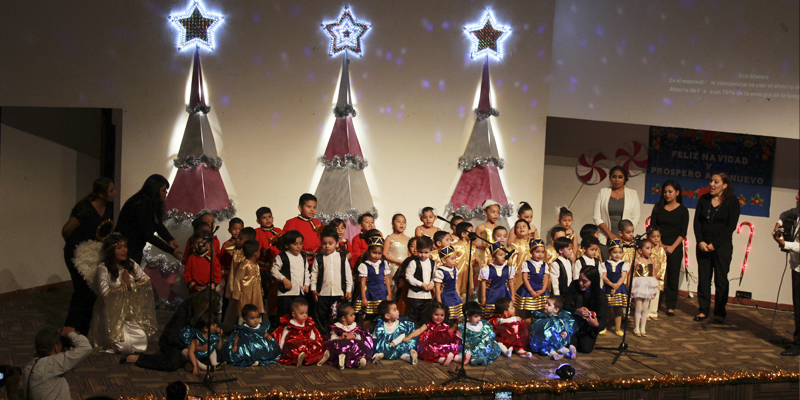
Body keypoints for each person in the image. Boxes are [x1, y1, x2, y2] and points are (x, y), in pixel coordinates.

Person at [61, 177, 116, 335]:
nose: (114, 193)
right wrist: (77, 246)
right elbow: (66, 230)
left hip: (94, 253)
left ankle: (82, 331)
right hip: (76, 254)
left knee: (92, 291)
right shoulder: (84, 208)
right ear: (101, 194)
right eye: (111, 190)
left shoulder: (108, 207)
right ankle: (69, 329)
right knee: (82, 291)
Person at [90, 234, 157, 354]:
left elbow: (146, 280)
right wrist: (124, 286)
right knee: (124, 347)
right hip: (112, 314)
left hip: (128, 311)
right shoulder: (104, 268)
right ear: (111, 250)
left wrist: (131, 286)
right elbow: (104, 293)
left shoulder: (130, 264)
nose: (124, 250)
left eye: (125, 246)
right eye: (119, 247)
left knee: (142, 343)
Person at [128, 288, 220, 370]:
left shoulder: (210, 313)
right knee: (172, 362)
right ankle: (139, 358)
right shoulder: (187, 308)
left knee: (220, 354)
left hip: (197, 342)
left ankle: (188, 361)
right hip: (177, 342)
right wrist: (190, 347)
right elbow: (172, 336)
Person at [693, 172, 740, 324]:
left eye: (716, 182)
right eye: (711, 181)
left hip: (722, 247)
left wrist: (715, 244)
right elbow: (697, 223)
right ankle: (703, 310)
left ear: (725, 185)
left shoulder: (732, 201)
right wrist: (700, 241)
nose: (711, 184)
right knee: (704, 279)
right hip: (703, 245)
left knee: (721, 280)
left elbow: (730, 227)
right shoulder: (704, 199)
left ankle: (720, 311)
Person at [115, 174, 180, 264]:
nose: (166, 193)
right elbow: (147, 234)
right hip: (126, 249)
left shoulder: (149, 203)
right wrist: (170, 250)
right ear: (154, 191)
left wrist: (170, 239)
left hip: (133, 248)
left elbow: (157, 225)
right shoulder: (140, 205)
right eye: (163, 190)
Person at [649, 180, 689, 317]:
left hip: (675, 247)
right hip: (657, 246)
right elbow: (652, 228)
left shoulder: (683, 210)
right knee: (656, 275)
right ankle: (654, 304)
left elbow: (683, 233)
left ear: (677, 192)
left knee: (672, 277)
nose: (667, 194)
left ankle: (671, 306)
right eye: (665, 192)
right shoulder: (658, 208)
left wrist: (672, 247)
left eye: (670, 191)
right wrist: (660, 244)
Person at [21, 327, 91, 400]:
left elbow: (61, 378)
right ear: (56, 347)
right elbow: (86, 347)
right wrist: (70, 333)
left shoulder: (29, 366)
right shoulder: (52, 363)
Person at [593, 166, 641, 259]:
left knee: (622, 268)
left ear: (625, 179)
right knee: (606, 266)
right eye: (614, 177)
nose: (617, 180)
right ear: (610, 178)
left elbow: (636, 217)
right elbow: (596, 217)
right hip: (605, 236)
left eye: (620, 177)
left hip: (625, 239)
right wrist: (610, 234)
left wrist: (626, 234)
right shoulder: (603, 192)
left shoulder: (632, 194)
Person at [310, 229, 352, 333]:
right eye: (324, 243)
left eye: (330, 243)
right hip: (323, 293)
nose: (327, 246)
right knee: (321, 315)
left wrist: (348, 289)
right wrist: (313, 289)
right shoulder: (319, 258)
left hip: (339, 293)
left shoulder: (342, 257)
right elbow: (314, 274)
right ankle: (323, 336)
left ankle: (337, 335)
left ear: (337, 244)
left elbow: (348, 274)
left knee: (338, 315)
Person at [773, 191, 799, 356]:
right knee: (798, 306)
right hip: (797, 266)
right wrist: (779, 222)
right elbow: (786, 213)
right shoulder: (797, 212)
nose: (797, 197)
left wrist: (785, 244)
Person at [403, 302, 464, 366]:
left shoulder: (445, 325)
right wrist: (409, 337)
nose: (439, 318)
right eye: (436, 315)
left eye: (442, 315)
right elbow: (419, 330)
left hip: (443, 343)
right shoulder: (428, 324)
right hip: (431, 343)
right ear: (431, 314)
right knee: (433, 350)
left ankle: (458, 358)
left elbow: (450, 332)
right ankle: (442, 360)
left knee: (451, 346)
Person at [563, 266, 608, 353]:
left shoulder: (600, 295)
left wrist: (596, 324)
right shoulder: (574, 286)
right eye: (580, 279)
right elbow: (565, 304)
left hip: (588, 328)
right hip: (573, 324)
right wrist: (577, 310)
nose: (580, 283)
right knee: (568, 344)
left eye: (584, 281)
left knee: (585, 349)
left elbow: (603, 317)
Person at [318, 303, 373, 369]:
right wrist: (340, 337)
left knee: (360, 345)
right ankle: (340, 358)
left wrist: (353, 336)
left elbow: (360, 337)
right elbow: (332, 338)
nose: (354, 317)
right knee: (336, 345)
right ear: (343, 318)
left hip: (352, 350)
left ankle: (359, 361)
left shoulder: (355, 326)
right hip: (341, 346)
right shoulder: (336, 326)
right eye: (351, 315)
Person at [273, 297, 324, 366]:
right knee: (293, 346)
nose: (305, 315)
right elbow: (283, 338)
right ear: (293, 314)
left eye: (306, 312)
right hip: (294, 346)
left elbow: (312, 333)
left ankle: (318, 358)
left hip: (306, 345)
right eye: (302, 313)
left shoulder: (308, 324)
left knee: (316, 346)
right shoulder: (289, 325)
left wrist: (313, 340)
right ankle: (297, 359)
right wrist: (280, 350)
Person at [272, 230, 310, 318]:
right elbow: (274, 271)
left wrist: (306, 284)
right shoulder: (281, 257)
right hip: (286, 294)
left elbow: (306, 272)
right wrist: (284, 279)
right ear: (287, 245)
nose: (299, 247)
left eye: (300, 243)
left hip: (299, 292)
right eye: (295, 244)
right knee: (285, 316)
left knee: (297, 316)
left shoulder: (303, 257)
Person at [226, 240, 263, 326]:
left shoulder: (256, 265)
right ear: (255, 253)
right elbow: (238, 280)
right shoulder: (244, 265)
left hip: (256, 294)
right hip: (245, 295)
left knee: (257, 310)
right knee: (244, 312)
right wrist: (236, 295)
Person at [515, 238, 550, 320]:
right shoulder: (526, 264)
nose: (540, 254)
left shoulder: (545, 265)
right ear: (531, 252)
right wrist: (531, 291)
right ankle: (526, 325)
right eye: (537, 252)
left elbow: (546, 279)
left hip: (541, 290)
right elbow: (525, 278)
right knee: (527, 311)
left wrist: (543, 290)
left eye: (542, 252)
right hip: (528, 290)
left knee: (540, 310)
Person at [600, 239, 630, 336]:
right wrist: (611, 285)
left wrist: (616, 287)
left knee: (618, 309)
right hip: (608, 288)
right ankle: (604, 326)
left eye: (620, 252)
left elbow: (623, 277)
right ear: (609, 252)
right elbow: (604, 277)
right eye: (615, 252)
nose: (617, 255)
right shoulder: (604, 264)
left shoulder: (624, 264)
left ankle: (617, 328)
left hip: (619, 288)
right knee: (607, 308)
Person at [459, 301, 503, 366]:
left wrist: (488, 338)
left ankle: (483, 358)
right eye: (476, 317)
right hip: (473, 347)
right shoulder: (463, 327)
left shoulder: (485, 323)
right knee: (469, 349)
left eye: (479, 315)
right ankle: (474, 360)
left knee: (492, 346)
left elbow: (491, 334)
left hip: (486, 346)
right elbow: (463, 341)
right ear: (467, 317)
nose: (479, 318)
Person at [631, 239, 659, 337]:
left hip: (648, 285)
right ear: (640, 250)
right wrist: (631, 289)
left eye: (651, 248)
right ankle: (636, 327)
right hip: (639, 284)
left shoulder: (652, 260)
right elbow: (632, 274)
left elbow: (654, 274)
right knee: (638, 307)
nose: (650, 251)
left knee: (645, 307)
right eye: (647, 248)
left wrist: (654, 289)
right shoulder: (637, 260)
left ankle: (643, 328)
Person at [479, 243, 515, 317]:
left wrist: (513, 296)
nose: (503, 257)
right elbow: (483, 283)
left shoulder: (508, 269)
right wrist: (483, 297)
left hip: (504, 294)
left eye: (504, 254)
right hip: (492, 295)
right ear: (494, 257)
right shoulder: (487, 269)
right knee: (491, 315)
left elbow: (511, 282)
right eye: (500, 255)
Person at [282, 193, 322, 261]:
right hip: (297, 259)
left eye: (314, 207)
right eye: (309, 207)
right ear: (300, 208)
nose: (312, 210)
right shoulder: (291, 223)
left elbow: (321, 239)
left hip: (315, 260)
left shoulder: (317, 223)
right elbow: (286, 242)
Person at [405, 236, 436, 323]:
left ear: (431, 250)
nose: (423, 255)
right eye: (420, 252)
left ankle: (422, 335)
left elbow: (434, 276)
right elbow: (408, 276)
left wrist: (432, 283)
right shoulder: (413, 262)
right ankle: (412, 334)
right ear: (417, 250)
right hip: (415, 295)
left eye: (426, 252)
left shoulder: (433, 263)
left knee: (425, 316)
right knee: (413, 317)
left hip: (427, 296)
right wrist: (421, 284)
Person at [433, 246, 463, 322]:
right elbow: (437, 287)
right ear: (444, 260)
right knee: (448, 316)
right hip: (445, 296)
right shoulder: (440, 271)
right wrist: (439, 301)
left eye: (455, 258)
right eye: (452, 259)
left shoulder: (455, 269)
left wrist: (458, 295)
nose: (455, 261)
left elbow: (456, 284)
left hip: (454, 296)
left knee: (456, 317)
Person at [383, 214, 410, 292]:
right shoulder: (389, 238)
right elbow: (384, 254)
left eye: (404, 222)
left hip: (405, 267)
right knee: (393, 289)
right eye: (398, 221)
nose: (401, 224)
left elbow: (409, 254)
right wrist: (398, 261)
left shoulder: (408, 239)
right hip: (393, 267)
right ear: (392, 224)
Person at [645, 226, 667, 319]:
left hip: (658, 276)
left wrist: (659, 275)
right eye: (653, 236)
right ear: (648, 237)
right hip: (649, 275)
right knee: (646, 294)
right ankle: (645, 312)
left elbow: (664, 263)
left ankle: (653, 312)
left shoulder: (661, 249)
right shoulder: (647, 249)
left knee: (656, 294)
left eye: (658, 236)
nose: (656, 238)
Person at [452, 222, 478, 299]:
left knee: (466, 296)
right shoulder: (454, 247)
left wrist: (476, 262)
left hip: (468, 275)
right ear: (463, 234)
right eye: (470, 231)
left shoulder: (472, 247)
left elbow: (474, 263)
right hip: (457, 275)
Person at [394, 237, 418, 316]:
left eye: (417, 246)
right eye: (412, 246)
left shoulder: (424, 261)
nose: (415, 249)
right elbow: (400, 272)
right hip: (406, 287)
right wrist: (400, 280)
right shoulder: (408, 260)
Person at [506, 220, 533, 292]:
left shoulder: (533, 243)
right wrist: (512, 275)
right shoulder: (514, 244)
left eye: (524, 226)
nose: (521, 228)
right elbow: (511, 261)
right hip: (519, 275)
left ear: (529, 230)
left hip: (532, 274)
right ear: (515, 232)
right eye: (518, 227)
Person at [475, 200, 502, 268]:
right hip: (485, 256)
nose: (496, 214)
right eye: (493, 212)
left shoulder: (499, 228)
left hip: (496, 255)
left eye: (498, 212)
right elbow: (473, 242)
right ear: (486, 213)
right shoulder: (481, 227)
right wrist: (483, 247)